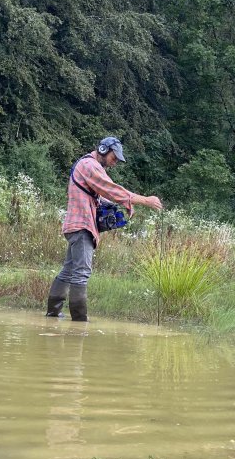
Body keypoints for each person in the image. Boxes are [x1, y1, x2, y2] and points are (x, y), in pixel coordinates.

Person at [45, 136, 163, 322]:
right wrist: (145, 200)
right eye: (113, 158)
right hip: (82, 225)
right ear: (102, 149)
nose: (114, 163)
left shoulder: (91, 166)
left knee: (69, 271)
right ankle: (79, 322)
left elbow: (100, 196)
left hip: (78, 225)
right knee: (82, 272)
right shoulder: (89, 165)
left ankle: (52, 315)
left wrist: (124, 204)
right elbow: (111, 189)